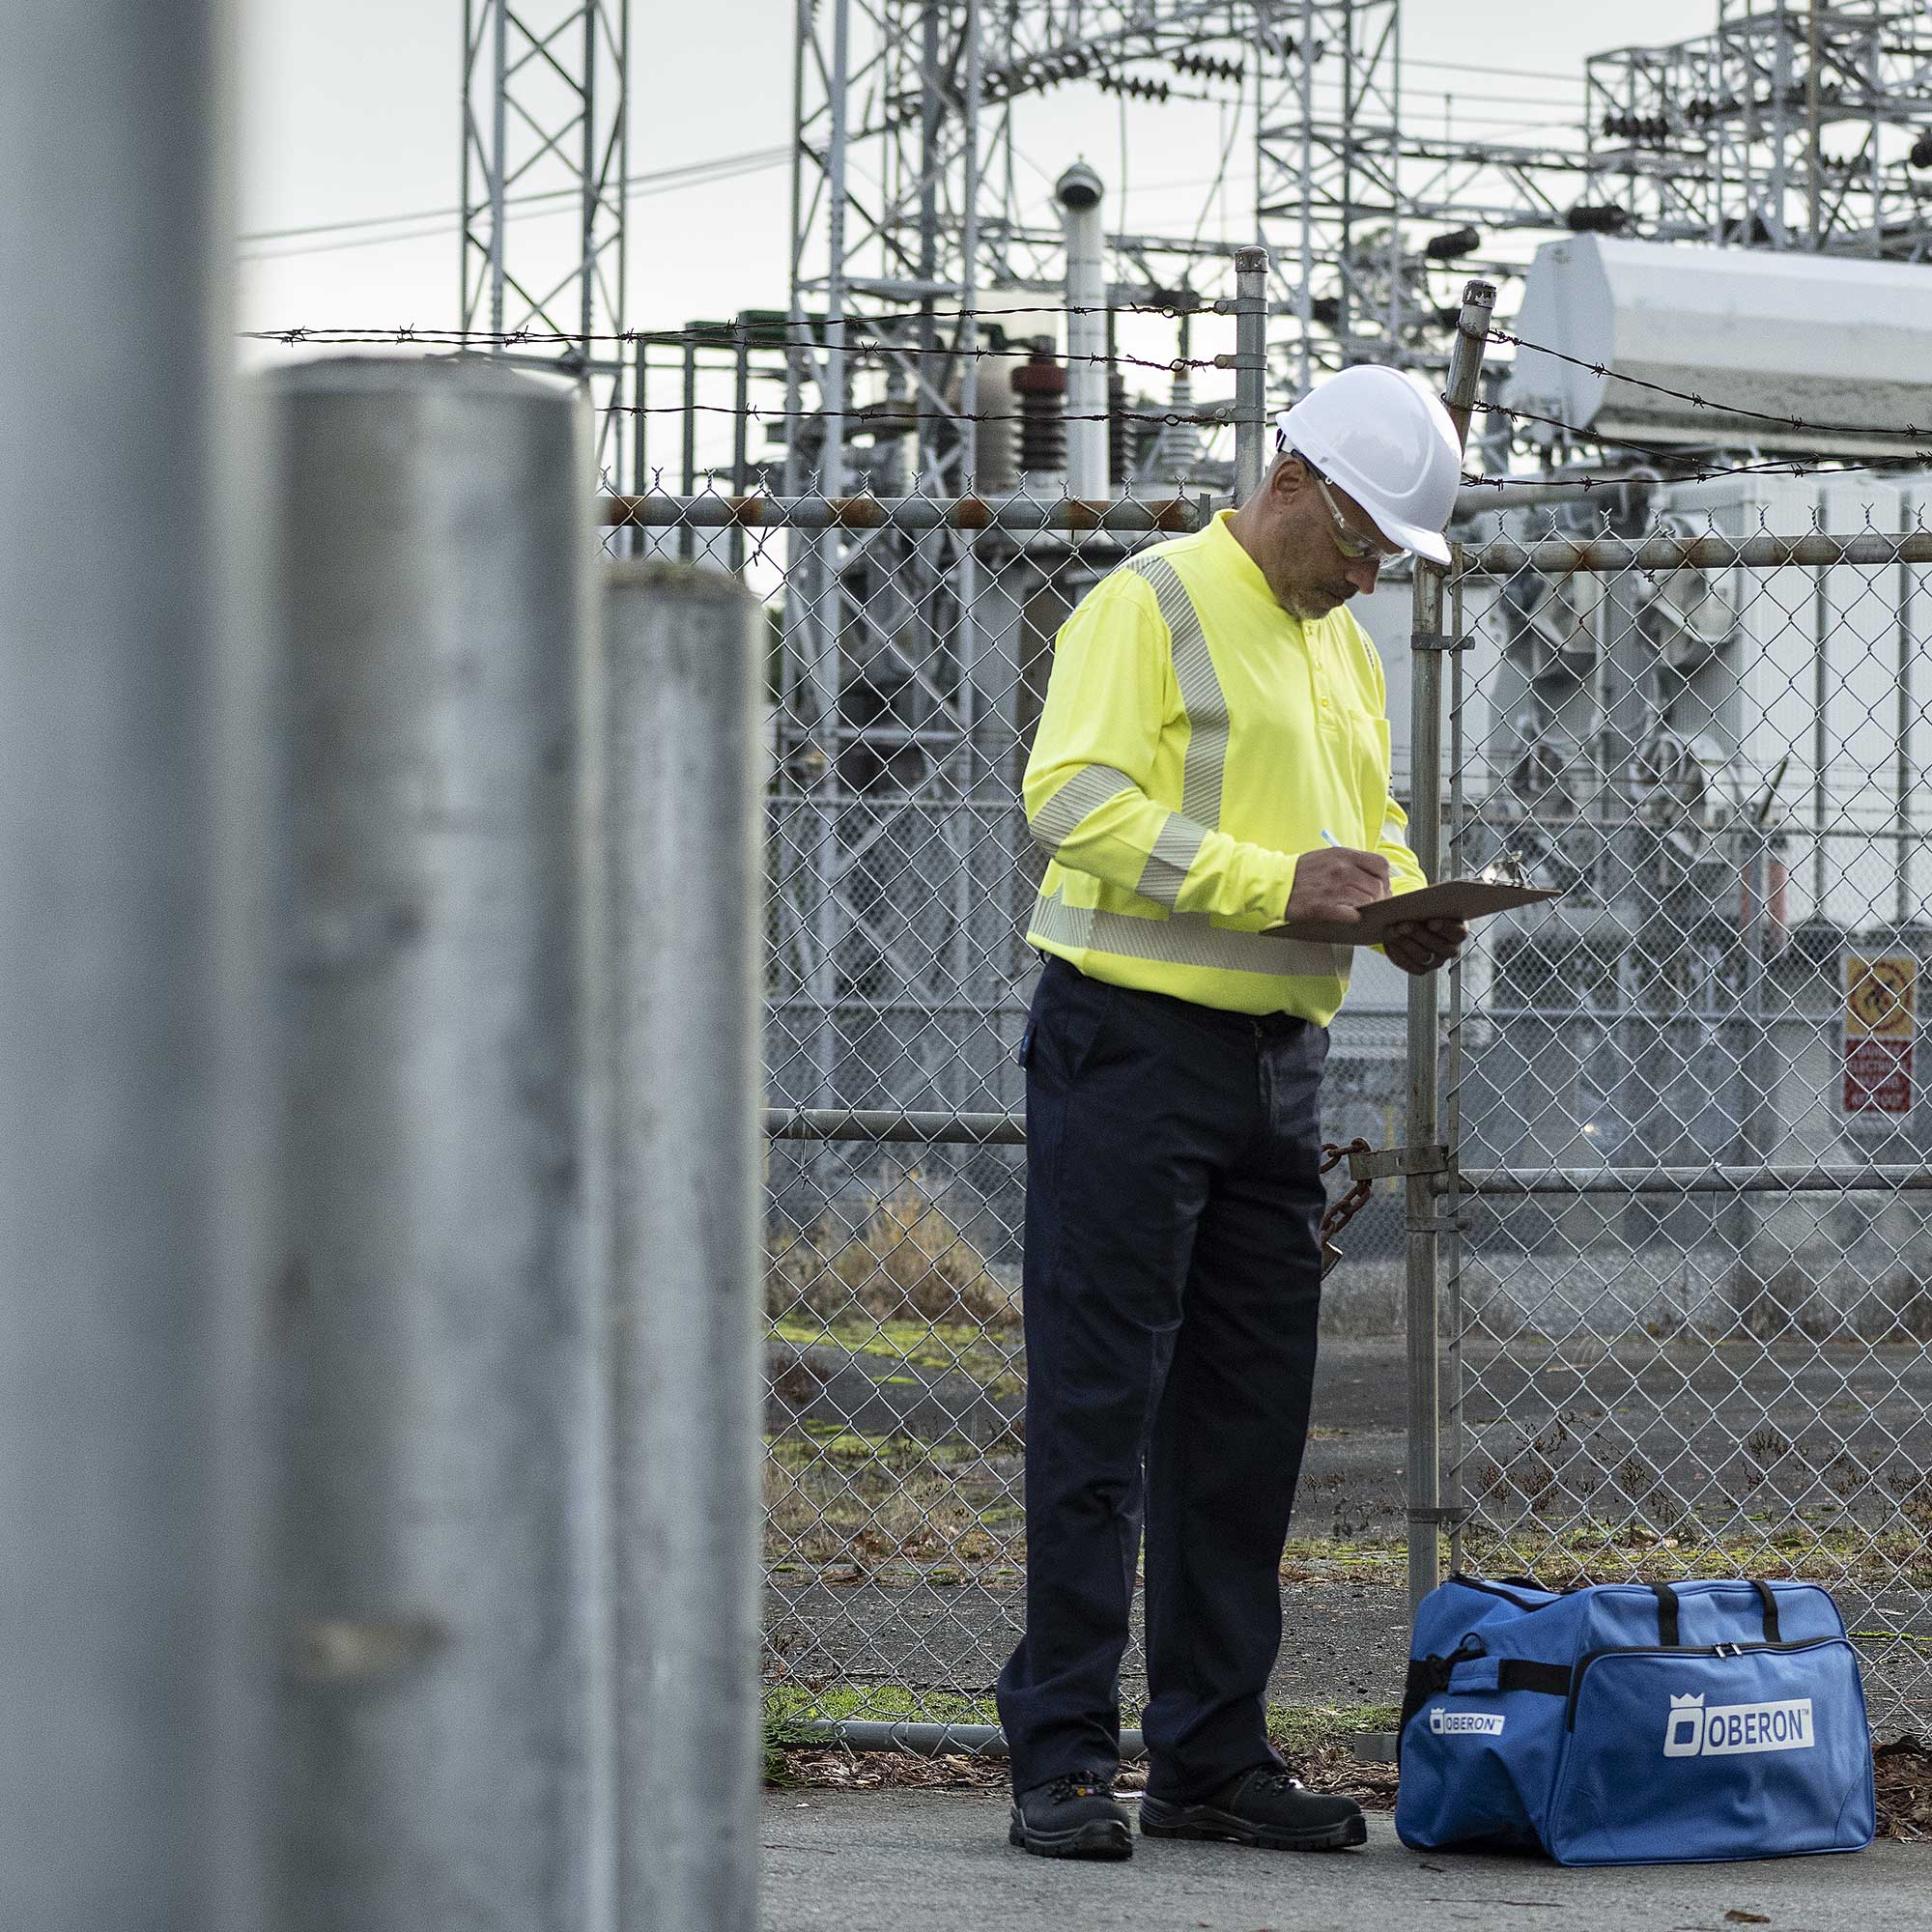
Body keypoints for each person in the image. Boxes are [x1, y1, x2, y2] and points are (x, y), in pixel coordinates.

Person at [997, 365, 1471, 1861]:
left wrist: (1392, 900)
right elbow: (1066, 798)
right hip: (1129, 1047)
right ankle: (1062, 1758)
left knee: (1243, 1424)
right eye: (1362, 540)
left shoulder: (1342, 649)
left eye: (1388, 552)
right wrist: (1274, 888)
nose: (1369, 571)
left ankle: (1208, 1757)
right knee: (1099, 1408)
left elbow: (1364, 824)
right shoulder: (1148, 603)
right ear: (1293, 483)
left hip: (1277, 1072)